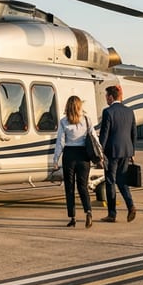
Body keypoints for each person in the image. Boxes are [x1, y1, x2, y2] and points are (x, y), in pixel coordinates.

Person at [52, 95, 94, 228]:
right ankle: (88, 211)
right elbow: (94, 138)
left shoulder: (64, 121)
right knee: (83, 186)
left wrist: (55, 159)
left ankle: (73, 217)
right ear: (79, 106)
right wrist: (100, 155)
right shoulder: (87, 120)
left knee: (69, 187)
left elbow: (60, 142)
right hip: (83, 156)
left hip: (69, 155)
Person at [98, 84, 137, 223]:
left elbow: (104, 134)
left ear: (110, 97)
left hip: (112, 152)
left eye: (106, 96)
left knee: (110, 182)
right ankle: (130, 205)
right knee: (122, 181)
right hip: (126, 151)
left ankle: (112, 214)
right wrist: (132, 151)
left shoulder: (108, 112)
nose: (106, 99)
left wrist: (99, 151)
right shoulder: (129, 111)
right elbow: (134, 132)